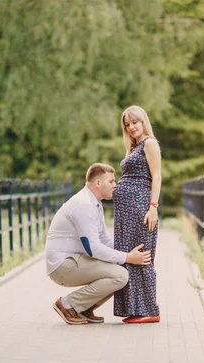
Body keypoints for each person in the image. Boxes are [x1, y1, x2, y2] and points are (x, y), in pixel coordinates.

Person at [46, 163, 152, 325]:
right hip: (63, 265)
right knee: (120, 275)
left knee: (121, 269)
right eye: (111, 181)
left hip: (74, 260)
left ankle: (82, 308)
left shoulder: (95, 203)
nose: (115, 185)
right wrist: (128, 257)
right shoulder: (84, 204)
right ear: (98, 183)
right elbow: (93, 248)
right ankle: (68, 304)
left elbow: (104, 240)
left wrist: (127, 253)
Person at [113, 105, 162, 324]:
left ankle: (150, 310)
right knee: (129, 255)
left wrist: (153, 207)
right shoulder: (133, 148)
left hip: (141, 207)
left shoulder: (149, 143)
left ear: (143, 121)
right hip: (126, 213)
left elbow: (157, 176)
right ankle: (134, 308)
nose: (131, 127)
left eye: (134, 122)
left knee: (142, 255)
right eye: (127, 125)